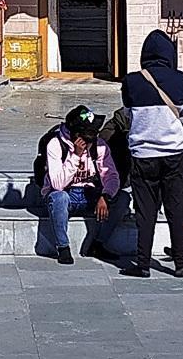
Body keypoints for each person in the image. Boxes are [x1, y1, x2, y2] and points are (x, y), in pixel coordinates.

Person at [120, 29, 183, 278]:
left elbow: (128, 111)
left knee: (145, 213)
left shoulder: (131, 81)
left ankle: (142, 265)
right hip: (173, 154)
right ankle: (180, 264)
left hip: (143, 155)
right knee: (176, 210)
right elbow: (181, 109)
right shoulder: (181, 79)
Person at [37, 104, 121, 265]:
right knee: (59, 198)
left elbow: (111, 176)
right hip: (66, 193)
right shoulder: (55, 144)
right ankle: (63, 247)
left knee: (121, 198)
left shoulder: (99, 145)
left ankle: (97, 244)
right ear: (75, 135)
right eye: (87, 137)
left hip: (90, 194)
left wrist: (105, 195)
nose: (91, 141)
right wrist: (76, 155)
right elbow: (57, 184)